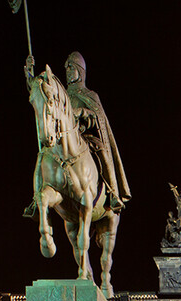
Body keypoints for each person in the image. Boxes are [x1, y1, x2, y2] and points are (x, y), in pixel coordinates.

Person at [64, 51, 131, 211]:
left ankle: (113, 192)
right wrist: (29, 75)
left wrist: (82, 112)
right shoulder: (63, 95)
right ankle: (39, 197)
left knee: (102, 151)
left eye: (71, 68)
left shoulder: (90, 95)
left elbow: (97, 117)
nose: (67, 72)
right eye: (66, 68)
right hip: (65, 140)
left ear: (80, 72)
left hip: (86, 138)